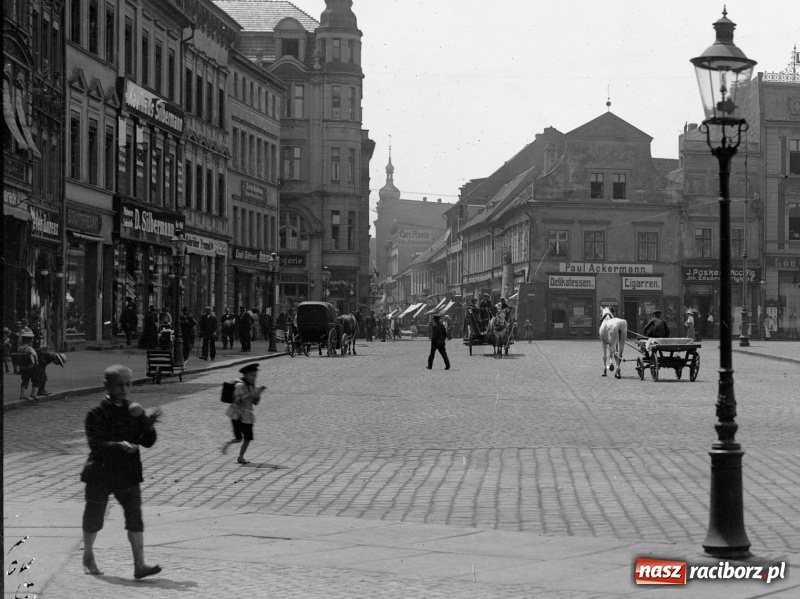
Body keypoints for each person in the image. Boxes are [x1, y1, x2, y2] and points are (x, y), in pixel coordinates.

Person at [80, 365, 163, 579]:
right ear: (106, 385)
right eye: (119, 385)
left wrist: (148, 426)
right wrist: (119, 445)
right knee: (94, 517)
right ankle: (88, 555)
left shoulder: (134, 411)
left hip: (127, 473)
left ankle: (140, 565)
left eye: (128, 384)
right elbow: (95, 444)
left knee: (135, 517)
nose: (125, 389)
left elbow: (147, 442)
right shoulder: (96, 413)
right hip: (100, 473)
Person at [221, 363, 266, 464]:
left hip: (248, 416)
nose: (254, 378)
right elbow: (238, 400)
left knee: (248, 438)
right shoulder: (239, 385)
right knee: (238, 438)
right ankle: (227, 443)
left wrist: (258, 394)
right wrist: (251, 394)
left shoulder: (253, 387)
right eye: (252, 375)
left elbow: (255, 403)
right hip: (237, 415)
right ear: (245, 375)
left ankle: (241, 457)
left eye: (255, 375)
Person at [15, 331, 39, 400]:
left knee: (24, 380)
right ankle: (33, 393)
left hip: (22, 367)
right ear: (29, 340)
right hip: (30, 366)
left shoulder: (19, 347)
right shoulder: (29, 348)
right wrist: (36, 363)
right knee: (35, 379)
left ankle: (22, 394)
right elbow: (35, 356)